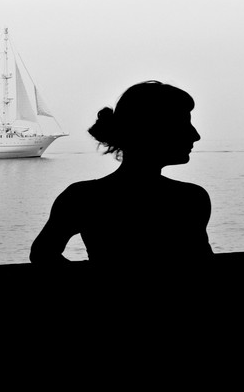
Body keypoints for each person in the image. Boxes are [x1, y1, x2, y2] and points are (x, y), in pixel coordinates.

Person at [29, 80, 213, 279]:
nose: (195, 135)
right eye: (183, 124)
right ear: (151, 130)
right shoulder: (191, 199)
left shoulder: (82, 197)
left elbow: (43, 254)